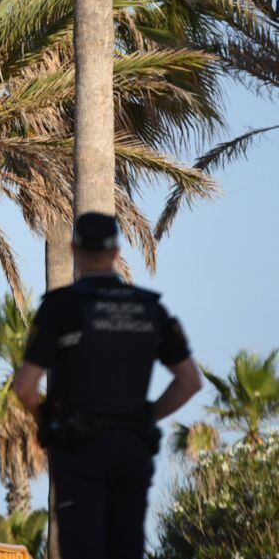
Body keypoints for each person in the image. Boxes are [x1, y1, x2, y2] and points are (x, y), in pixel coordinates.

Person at [13, 212, 202, 559]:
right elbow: (189, 382)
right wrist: (148, 416)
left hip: (79, 449)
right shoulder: (151, 309)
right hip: (132, 448)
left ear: (74, 249)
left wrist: (46, 424)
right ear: (117, 252)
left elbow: (25, 387)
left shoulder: (60, 307)